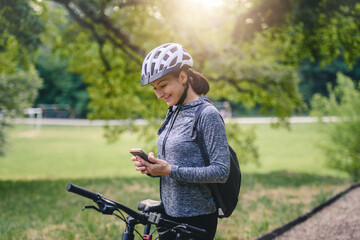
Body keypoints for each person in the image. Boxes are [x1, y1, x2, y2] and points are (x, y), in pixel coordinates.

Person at [131, 43, 230, 240]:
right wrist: (153, 168)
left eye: (163, 85)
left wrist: (169, 170)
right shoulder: (173, 111)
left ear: (183, 77)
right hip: (168, 215)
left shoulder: (207, 115)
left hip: (196, 219)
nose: (159, 94)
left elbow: (221, 171)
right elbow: (176, 164)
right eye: (154, 88)